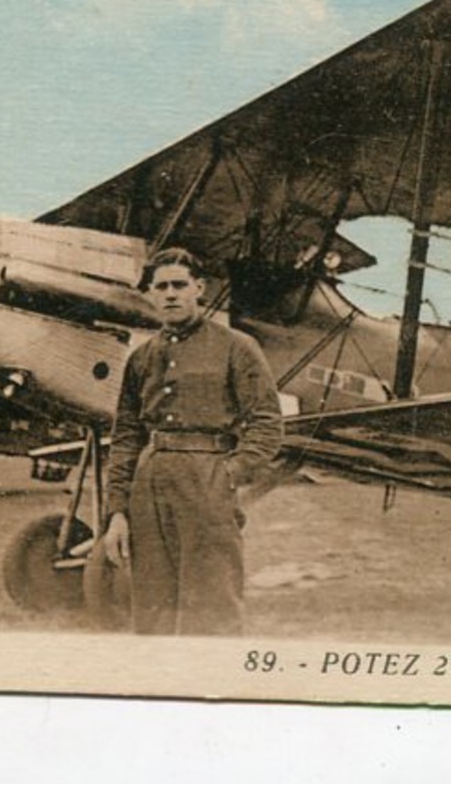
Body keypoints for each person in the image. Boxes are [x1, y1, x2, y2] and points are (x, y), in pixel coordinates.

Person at [101, 247, 283, 635]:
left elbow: (267, 424)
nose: (170, 294)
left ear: (199, 288)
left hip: (208, 481)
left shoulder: (237, 347)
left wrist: (228, 475)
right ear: (149, 293)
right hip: (149, 485)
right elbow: (126, 437)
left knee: (213, 610)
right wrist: (116, 511)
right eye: (161, 286)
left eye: (179, 285)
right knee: (152, 612)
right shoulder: (141, 358)